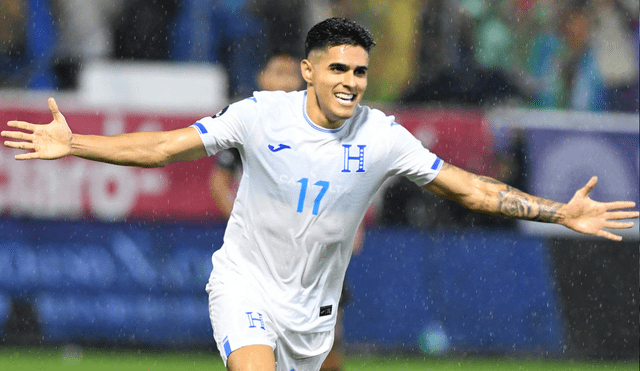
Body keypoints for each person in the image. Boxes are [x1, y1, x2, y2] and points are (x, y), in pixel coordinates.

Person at [2, 17, 637, 371]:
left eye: (360, 71)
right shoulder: (257, 115)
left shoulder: (384, 137)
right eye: (338, 68)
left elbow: (467, 187)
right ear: (309, 70)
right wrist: (77, 144)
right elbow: (163, 147)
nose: (351, 82)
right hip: (245, 285)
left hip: (314, 309)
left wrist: (558, 211)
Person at [209, 52, 361, 371]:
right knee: (256, 345)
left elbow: (348, 187)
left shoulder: (329, 126)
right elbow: (219, 183)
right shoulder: (248, 122)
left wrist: (352, 228)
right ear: (261, 78)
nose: (283, 79)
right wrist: (245, 223)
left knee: (327, 348)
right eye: (276, 71)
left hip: (316, 252)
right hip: (264, 253)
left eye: (289, 73)